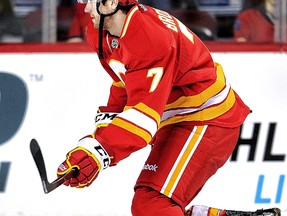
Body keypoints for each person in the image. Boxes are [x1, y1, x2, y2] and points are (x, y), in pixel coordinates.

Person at [55, 0, 257, 215]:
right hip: (177, 119)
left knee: (152, 205)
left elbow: (144, 117)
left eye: (91, 2)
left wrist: (98, 151)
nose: (85, 9)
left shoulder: (149, 38)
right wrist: (100, 141)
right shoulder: (102, 31)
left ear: (112, 3)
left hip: (205, 119)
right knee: (152, 206)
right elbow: (123, 82)